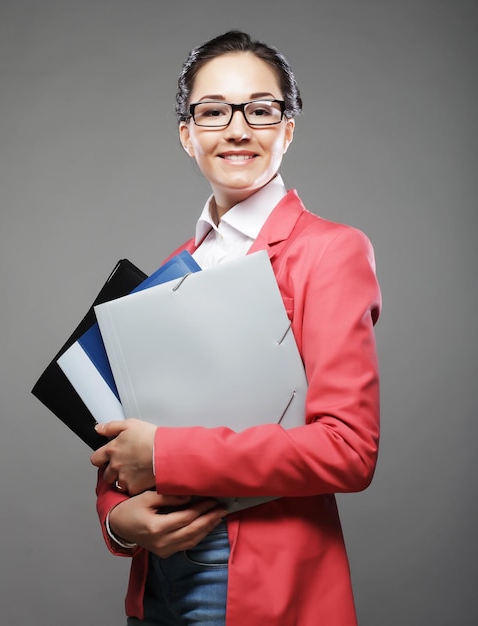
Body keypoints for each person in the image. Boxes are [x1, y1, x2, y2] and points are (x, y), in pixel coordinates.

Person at [90, 30, 381, 626]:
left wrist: (166, 453)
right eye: (214, 111)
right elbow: (128, 434)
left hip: (259, 576)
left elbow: (348, 449)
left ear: (287, 129)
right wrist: (119, 521)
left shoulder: (331, 251)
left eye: (262, 109)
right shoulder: (171, 268)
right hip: (157, 578)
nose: (238, 128)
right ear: (187, 135)